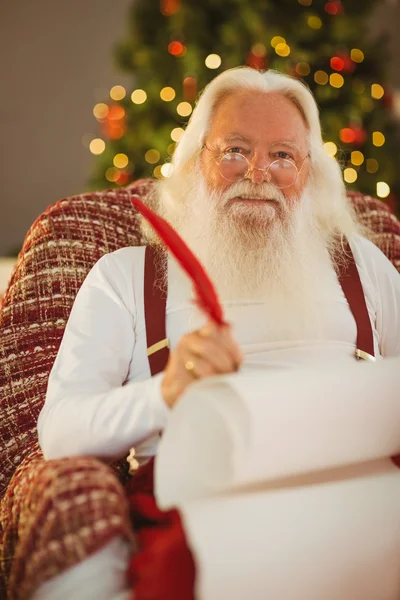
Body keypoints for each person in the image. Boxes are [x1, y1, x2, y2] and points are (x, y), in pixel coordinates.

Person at [35, 66, 400, 599]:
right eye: (234, 150)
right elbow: (58, 433)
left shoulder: (361, 264)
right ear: (193, 163)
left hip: (369, 498)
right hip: (204, 509)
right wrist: (165, 392)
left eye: (282, 156)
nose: (258, 173)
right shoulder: (124, 276)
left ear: (309, 172)